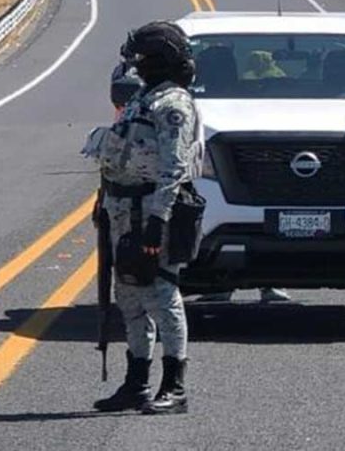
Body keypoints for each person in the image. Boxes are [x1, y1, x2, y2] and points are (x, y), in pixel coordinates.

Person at [85, 21, 204, 414]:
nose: (135, 63)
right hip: (122, 212)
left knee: (162, 294)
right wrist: (103, 201)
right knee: (130, 296)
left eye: (141, 57)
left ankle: (175, 386)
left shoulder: (174, 105)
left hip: (154, 212)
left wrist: (158, 220)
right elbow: (120, 152)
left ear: (158, 59)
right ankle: (136, 382)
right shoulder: (142, 99)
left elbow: (174, 167)